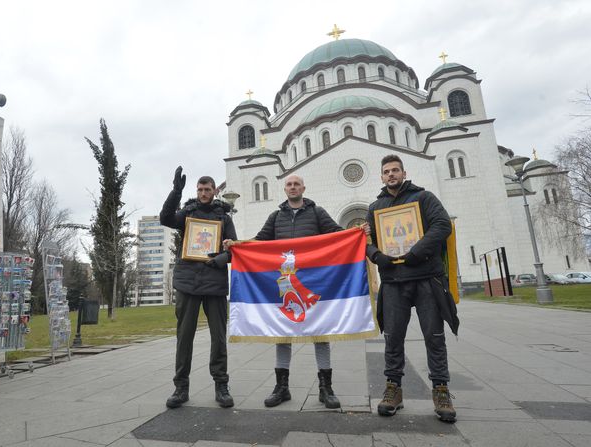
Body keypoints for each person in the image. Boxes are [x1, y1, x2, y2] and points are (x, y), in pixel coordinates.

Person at [227, 174, 344, 409]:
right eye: (289, 185)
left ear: (303, 188)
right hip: (285, 284)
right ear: (285, 189)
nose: (293, 188)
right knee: (283, 333)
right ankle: (282, 388)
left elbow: (337, 234)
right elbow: (260, 242)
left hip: (313, 282)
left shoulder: (317, 212)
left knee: (320, 333)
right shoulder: (276, 216)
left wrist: (358, 233)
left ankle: (325, 388)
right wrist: (238, 246)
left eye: (296, 184)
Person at [366, 154, 459, 423]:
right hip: (394, 282)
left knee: (434, 335)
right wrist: (376, 255)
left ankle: (441, 390)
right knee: (393, 337)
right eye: (387, 171)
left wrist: (417, 251)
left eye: (395, 170)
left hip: (426, 277)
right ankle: (393, 389)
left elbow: (442, 225)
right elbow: (366, 239)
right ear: (382, 177)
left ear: (404, 173)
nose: (391, 175)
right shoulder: (375, 207)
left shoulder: (423, 198)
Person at [160, 166, 237, 409]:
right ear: (197, 191)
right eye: (200, 189)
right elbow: (165, 219)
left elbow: (234, 250)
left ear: (215, 191)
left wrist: (221, 258)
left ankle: (221, 385)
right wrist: (175, 192)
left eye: (208, 189)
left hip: (214, 283)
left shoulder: (225, 218)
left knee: (219, 337)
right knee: (184, 337)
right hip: (188, 283)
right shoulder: (187, 213)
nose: (204, 192)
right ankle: (180, 387)